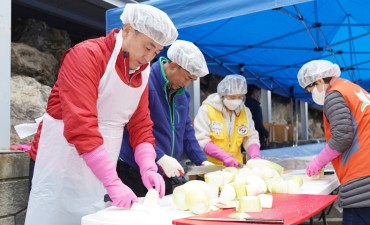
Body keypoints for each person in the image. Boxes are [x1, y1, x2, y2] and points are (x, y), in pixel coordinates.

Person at [25, 4, 178, 225]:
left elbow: (141, 125)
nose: (149, 58)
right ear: (127, 30)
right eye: (147, 47)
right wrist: (112, 181)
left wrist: (148, 167)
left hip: (98, 166)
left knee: (89, 218)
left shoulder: (141, 74)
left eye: (156, 52)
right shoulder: (86, 55)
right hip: (59, 162)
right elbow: (81, 124)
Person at [297, 60, 370, 225]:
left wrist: (319, 161)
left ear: (319, 81)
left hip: (362, 178)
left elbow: (342, 137)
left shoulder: (334, 94)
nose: (313, 94)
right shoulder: (353, 89)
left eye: (311, 89)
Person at [117, 40, 213, 196]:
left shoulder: (183, 95)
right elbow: (133, 128)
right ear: (174, 65)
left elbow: (186, 131)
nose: (187, 84)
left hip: (166, 170)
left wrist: (201, 161)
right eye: (187, 78)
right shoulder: (145, 82)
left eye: (192, 80)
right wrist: (159, 156)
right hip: (135, 169)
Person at [194, 75, 261, 167]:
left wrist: (255, 155)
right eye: (232, 97)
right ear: (222, 95)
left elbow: (250, 137)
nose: (236, 101)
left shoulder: (245, 112)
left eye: (240, 97)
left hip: (235, 167)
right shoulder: (207, 110)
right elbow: (202, 140)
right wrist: (224, 157)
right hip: (211, 169)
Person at [245, 84, 269, 149]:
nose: (260, 95)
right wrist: (266, 133)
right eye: (259, 92)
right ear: (255, 92)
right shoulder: (255, 106)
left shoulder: (243, 105)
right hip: (256, 140)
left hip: (245, 141)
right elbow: (258, 124)